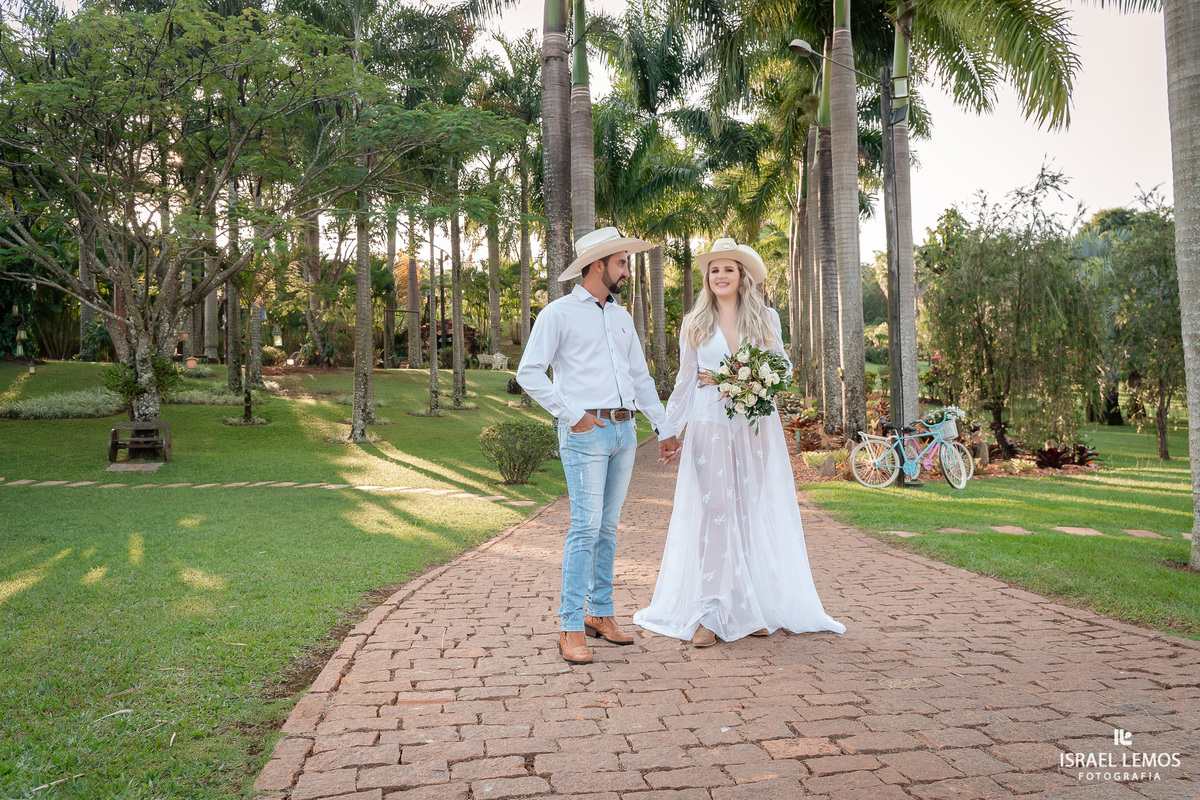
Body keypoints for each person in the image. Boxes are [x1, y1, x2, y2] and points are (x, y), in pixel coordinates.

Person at [633, 238, 845, 647]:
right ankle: (709, 612)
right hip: (710, 421)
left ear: (742, 276)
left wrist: (735, 380)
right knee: (715, 509)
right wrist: (669, 429)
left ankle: (746, 606)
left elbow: (780, 369)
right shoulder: (694, 323)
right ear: (707, 278)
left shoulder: (765, 318)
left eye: (728, 269)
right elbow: (685, 381)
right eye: (714, 270)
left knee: (746, 510)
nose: (720, 276)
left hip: (755, 425)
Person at [517, 227, 683, 665]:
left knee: (608, 529)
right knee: (585, 529)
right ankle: (570, 624)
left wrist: (663, 428)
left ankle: (601, 614)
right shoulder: (558, 314)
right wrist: (574, 415)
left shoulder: (622, 317)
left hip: (625, 432)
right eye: (621, 263)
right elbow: (529, 373)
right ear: (598, 266)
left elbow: (641, 380)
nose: (626, 271)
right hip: (585, 433)